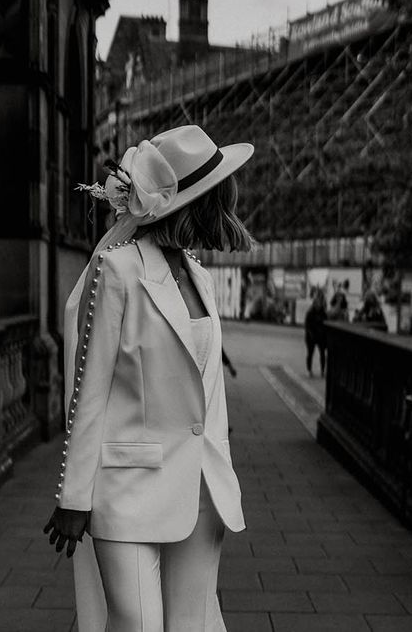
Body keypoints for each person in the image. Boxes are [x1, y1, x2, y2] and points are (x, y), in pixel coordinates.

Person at [43, 125, 255, 632]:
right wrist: (73, 497)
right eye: (219, 193)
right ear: (198, 203)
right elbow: (88, 393)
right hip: (128, 489)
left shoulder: (201, 277)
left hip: (202, 493)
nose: (229, 202)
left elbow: (205, 388)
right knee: (135, 625)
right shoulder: (117, 272)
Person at [305, 288, 327, 377]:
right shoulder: (310, 312)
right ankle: (309, 370)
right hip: (311, 336)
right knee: (310, 353)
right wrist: (311, 335)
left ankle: (322, 371)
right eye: (317, 304)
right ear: (314, 304)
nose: (319, 305)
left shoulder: (323, 313)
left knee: (322, 354)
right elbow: (307, 326)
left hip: (321, 336)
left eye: (320, 304)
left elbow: (326, 324)